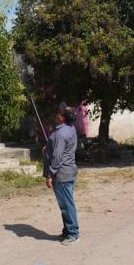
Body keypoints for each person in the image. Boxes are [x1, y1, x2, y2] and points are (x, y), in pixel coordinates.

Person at [44, 105, 79, 245]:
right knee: (66, 203)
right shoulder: (70, 128)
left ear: (63, 118)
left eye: (58, 113)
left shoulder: (60, 133)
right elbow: (61, 149)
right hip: (70, 170)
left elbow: (57, 157)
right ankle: (67, 230)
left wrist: (50, 175)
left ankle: (73, 233)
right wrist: (48, 149)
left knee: (66, 204)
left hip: (62, 174)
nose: (56, 115)